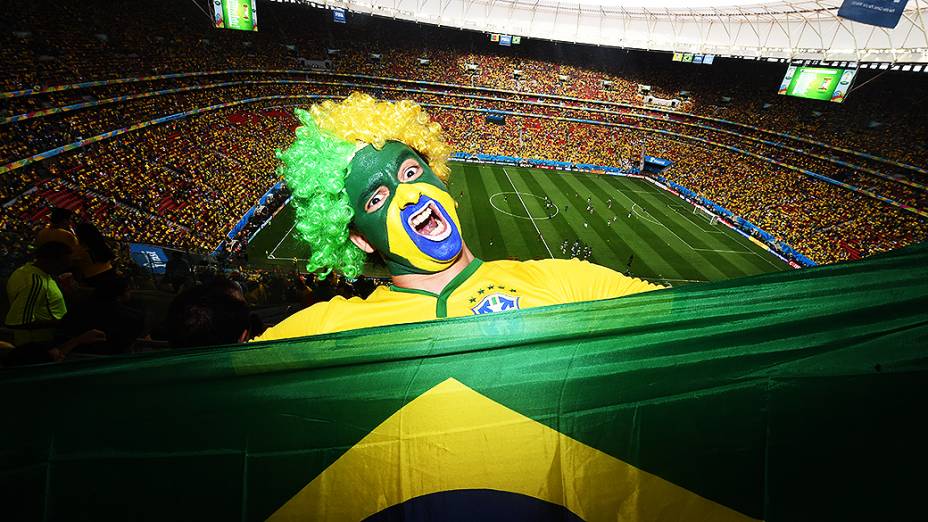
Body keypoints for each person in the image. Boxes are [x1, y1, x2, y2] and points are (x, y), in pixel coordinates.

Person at [253, 93, 662, 341]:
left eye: (411, 173)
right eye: (377, 199)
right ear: (359, 236)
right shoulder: (329, 331)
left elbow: (697, 319)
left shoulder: (567, 282)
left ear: (440, 178)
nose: (409, 195)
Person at [4, 241, 105, 365]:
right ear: (51, 260)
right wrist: (63, 322)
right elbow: (18, 322)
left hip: (46, 343)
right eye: (64, 263)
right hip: (38, 348)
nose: (67, 267)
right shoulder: (34, 283)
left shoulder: (34, 271)